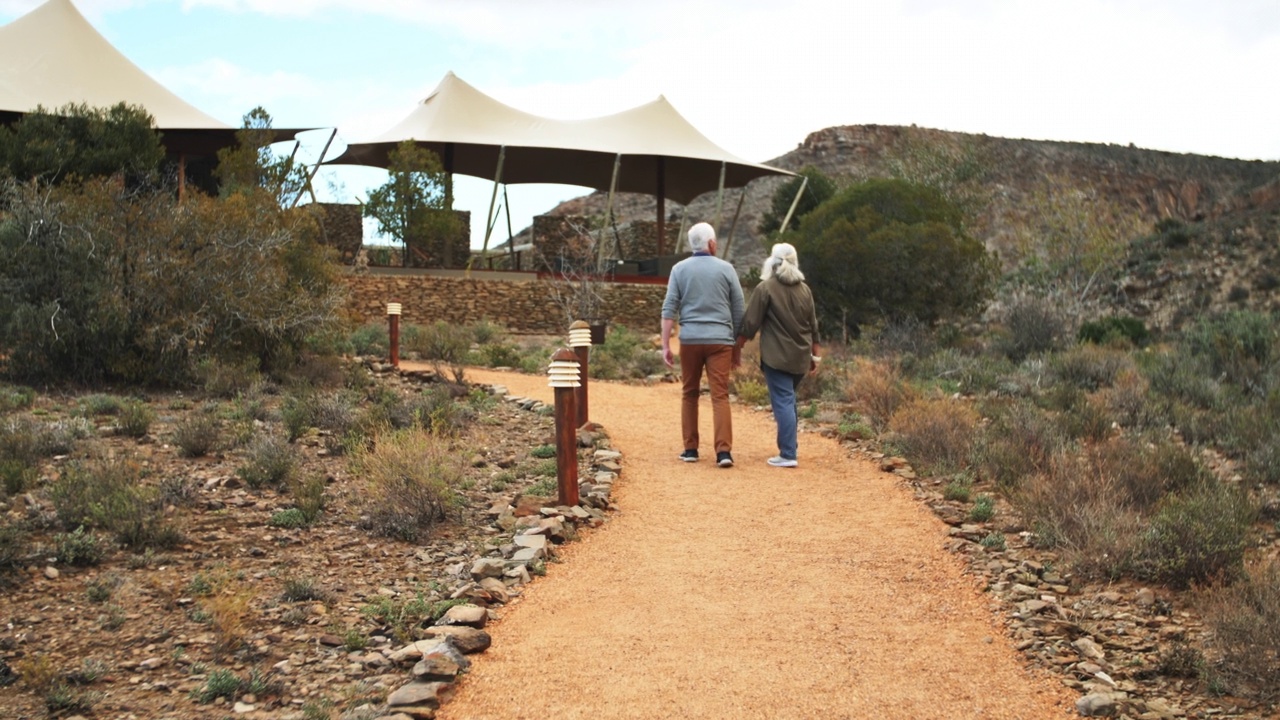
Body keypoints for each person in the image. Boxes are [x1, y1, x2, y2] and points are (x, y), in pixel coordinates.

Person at [661, 222, 745, 468]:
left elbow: (669, 309)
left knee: (689, 393)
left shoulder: (679, 269)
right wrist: (736, 346)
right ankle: (723, 453)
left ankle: (690, 449)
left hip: (690, 339)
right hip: (720, 341)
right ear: (710, 244)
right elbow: (739, 309)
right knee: (720, 395)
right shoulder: (727, 269)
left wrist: (666, 345)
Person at [736, 242, 820, 468]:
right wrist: (816, 356)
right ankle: (790, 446)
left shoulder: (766, 288)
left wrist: (737, 346)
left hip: (776, 357)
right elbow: (813, 326)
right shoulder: (805, 290)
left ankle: (788, 453)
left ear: (772, 262)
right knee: (789, 400)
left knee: (782, 401)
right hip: (801, 357)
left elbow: (750, 323)